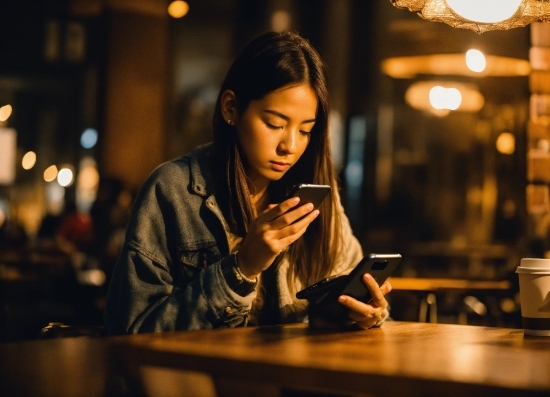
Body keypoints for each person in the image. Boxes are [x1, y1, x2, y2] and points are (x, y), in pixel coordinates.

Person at [103, 31, 392, 335]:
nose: (290, 146)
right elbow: (130, 330)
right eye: (275, 124)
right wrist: (242, 268)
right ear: (231, 108)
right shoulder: (173, 190)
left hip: (291, 377)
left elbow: (354, 294)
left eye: (305, 130)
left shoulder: (316, 197)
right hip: (204, 379)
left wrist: (365, 314)